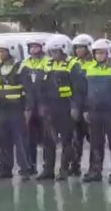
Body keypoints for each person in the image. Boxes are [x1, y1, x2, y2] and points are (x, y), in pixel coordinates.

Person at [37, 34, 85, 181]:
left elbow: (79, 88)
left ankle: (64, 169)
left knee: (66, 140)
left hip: (66, 106)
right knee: (48, 140)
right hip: (50, 106)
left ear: (64, 51)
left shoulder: (72, 65)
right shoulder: (48, 64)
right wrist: (42, 105)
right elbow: (41, 86)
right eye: (51, 52)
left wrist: (75, 107)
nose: (53, 55)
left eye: (56, 52)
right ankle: (48, 170)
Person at [82, 38, 111, 183]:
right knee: (95, 142)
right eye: (97, 53)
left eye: (102, 53)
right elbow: (85, 91)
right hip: (94, 111)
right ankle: (95, 171)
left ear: (110, 53)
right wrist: (85, 109)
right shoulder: (89, 68)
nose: (99, 56)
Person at [0, 38, 31, 181]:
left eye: (2, 51)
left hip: (16, 110)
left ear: (11, 51)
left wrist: (27, 109)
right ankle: (5, 169)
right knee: (4, 141)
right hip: (2, 110)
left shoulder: (21, 68)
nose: (0, 54)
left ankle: (25, 169)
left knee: (19, 142)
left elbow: (28, 90)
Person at [19, 37, 49, 175]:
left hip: (44, 105)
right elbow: (22, 84)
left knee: (46, 137)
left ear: (42, 48)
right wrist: (26, 107)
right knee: (29, 138)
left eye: (36, 47)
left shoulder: (48, 62)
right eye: (31, 47)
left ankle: (46, 166)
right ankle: (30, 165)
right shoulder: (24, 64)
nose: (33, 49)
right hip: (29, 105)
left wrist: (45, 104)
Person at [69, 34, 95, 177]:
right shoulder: (73, 63)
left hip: (90, 105)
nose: (78, 50)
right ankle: (75, 165)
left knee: (93, 139)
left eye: (81, 47)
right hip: (76, 105)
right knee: (76, 138)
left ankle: (93, 167)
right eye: (76, 48)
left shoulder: (94, 63)